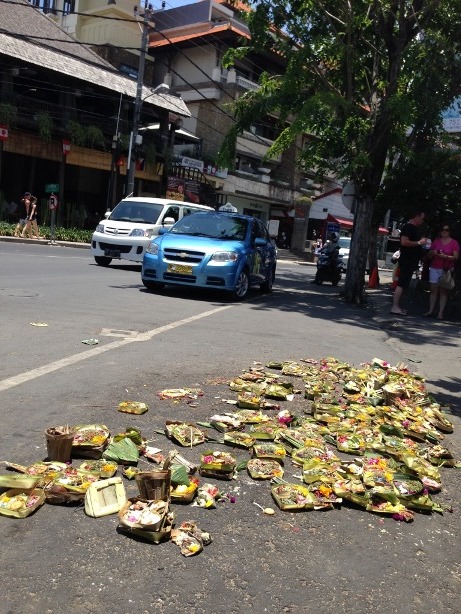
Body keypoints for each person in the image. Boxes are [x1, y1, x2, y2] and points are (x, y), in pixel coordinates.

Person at [391, 211, 427, 315]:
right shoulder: (408, 227)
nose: (422, 221)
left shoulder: (414, 229)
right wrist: (419, 242)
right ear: (416, 217)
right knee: (402, 283)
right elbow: (404, 242)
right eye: (421, 218)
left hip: (412, 260)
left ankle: (398, 306)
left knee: (405, 283)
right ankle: (395, 307)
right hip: (407, 259)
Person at [422, 225, 459, 320]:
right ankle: (430, 310)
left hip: (446, 269)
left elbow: (456, 257)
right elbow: (429, 256)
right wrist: (432, 253)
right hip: (434, 267)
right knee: (433, 289)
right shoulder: (436, 242)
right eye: (442, 230)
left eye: (446, 230)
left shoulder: (454, 243)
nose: (444, 231)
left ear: (449, 231)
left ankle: (440, 313)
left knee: (443, 291)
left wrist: (445, 256)